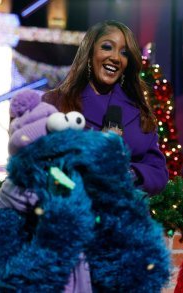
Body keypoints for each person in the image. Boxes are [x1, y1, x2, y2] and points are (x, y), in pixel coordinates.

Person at [43, 20, 168, 196]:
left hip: (124, 214)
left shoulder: (140, 112)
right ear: (90, 52)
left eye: (124, 53)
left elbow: (158, 171)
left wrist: (129, 174)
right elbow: (39, 160)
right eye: (107, 47)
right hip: (73, 211)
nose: (116, 58)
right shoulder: (55, 102)